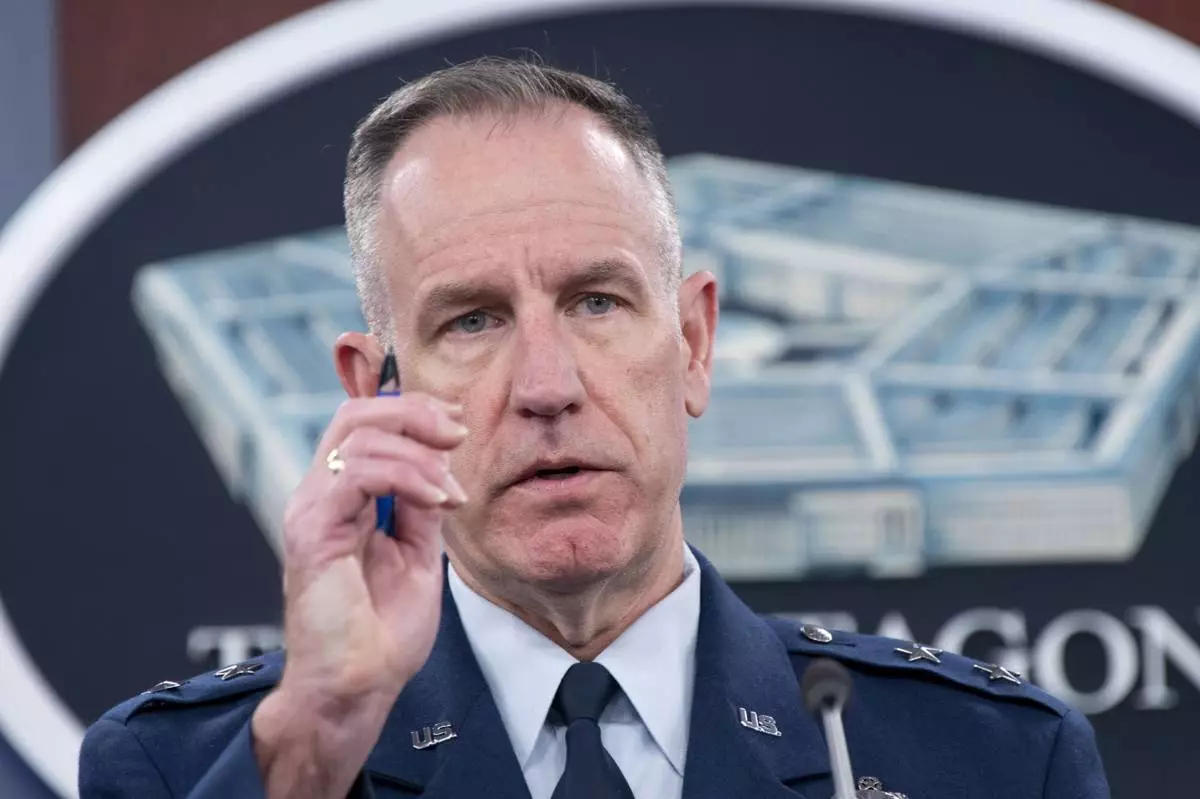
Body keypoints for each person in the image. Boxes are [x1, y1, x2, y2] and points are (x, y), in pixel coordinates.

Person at [78, 56, 1110, 799]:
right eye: (472, 320)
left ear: (696, 344)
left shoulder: (992, 763)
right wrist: (316, 743)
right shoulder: (196, 769)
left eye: (598, 302)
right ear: (374, 389)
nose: (547, 384)